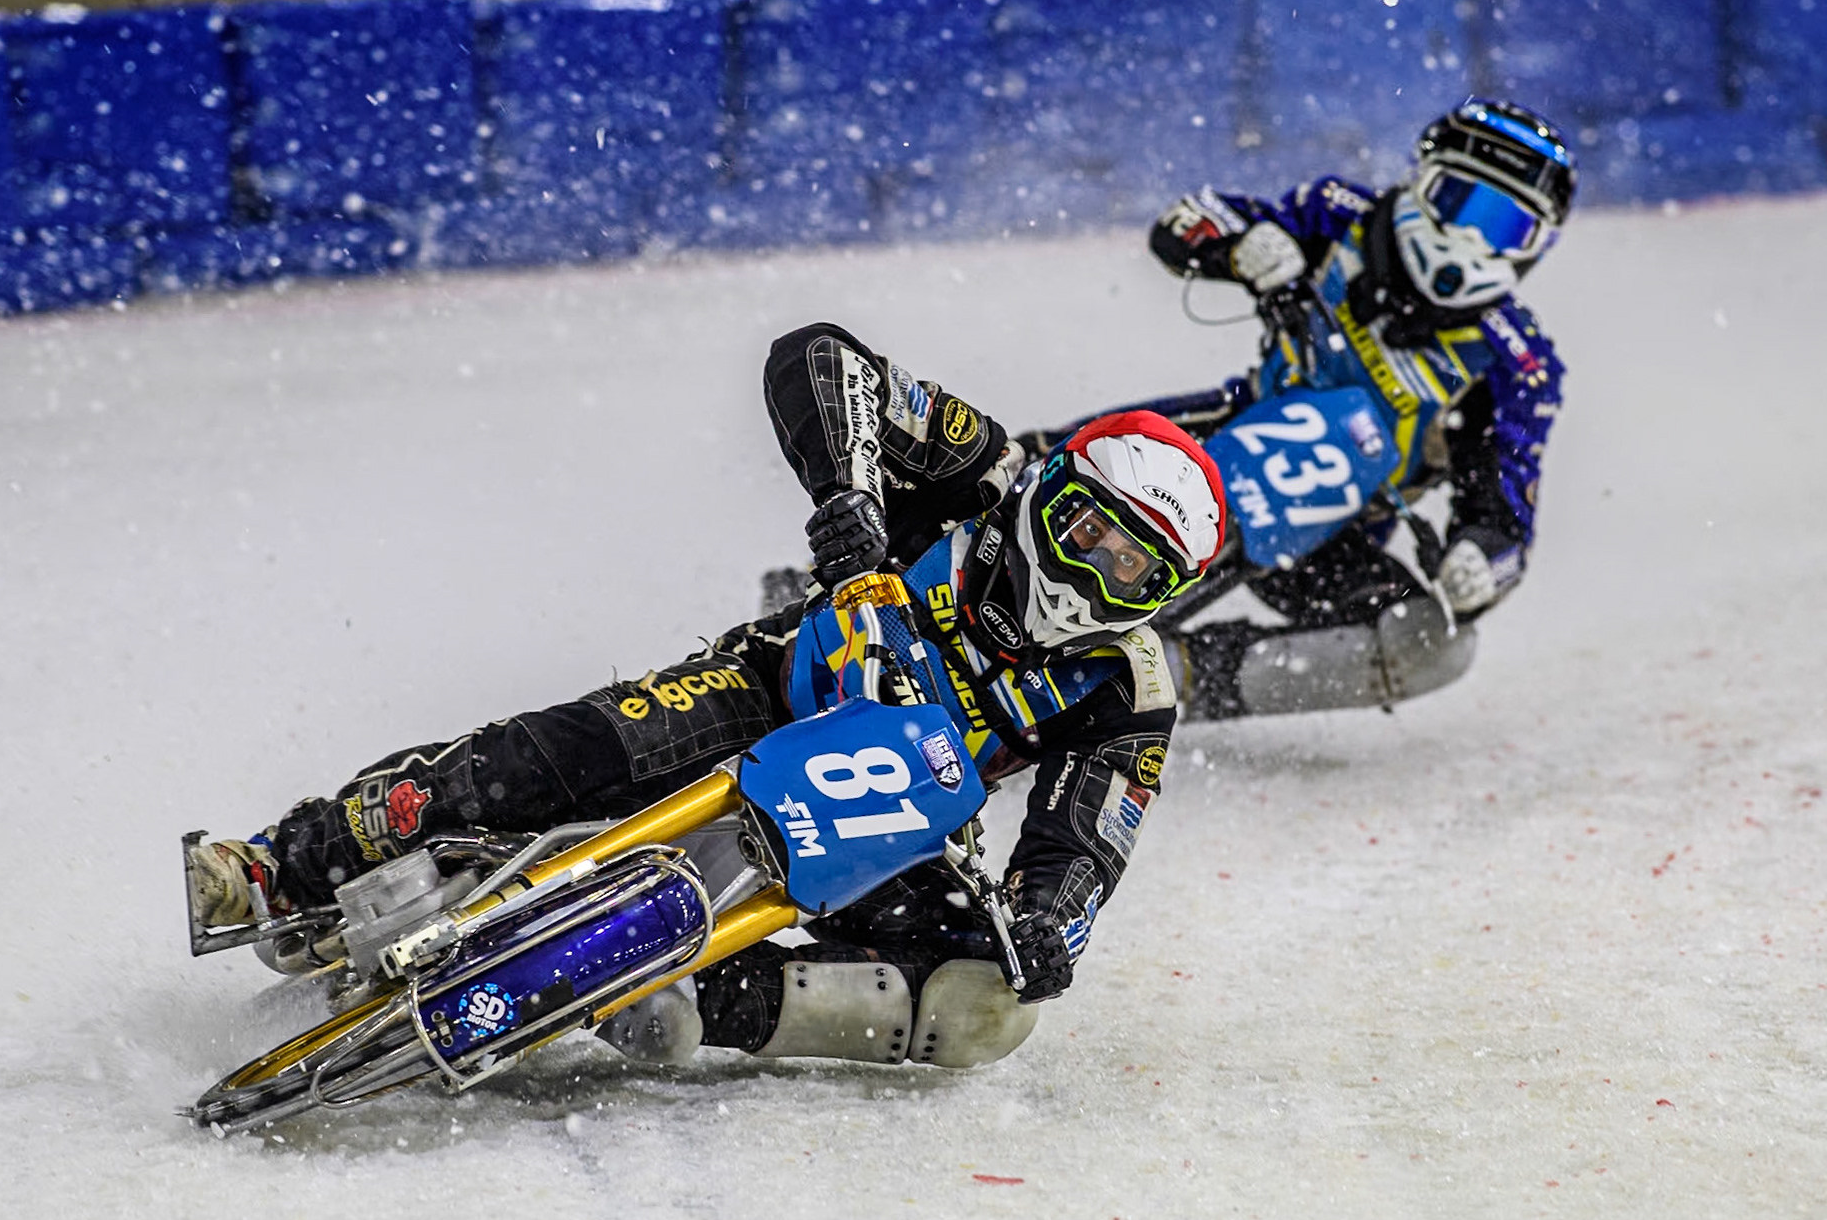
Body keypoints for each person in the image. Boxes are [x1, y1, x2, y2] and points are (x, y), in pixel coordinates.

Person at [188, 321, 1227, 1070]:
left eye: (1131, 572)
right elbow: (819, 356)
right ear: (1055, 489)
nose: (1091, 575)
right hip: (764, 695)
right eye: (1087, 531)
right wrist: (852, 503)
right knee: (550, 758)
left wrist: (1049, 924)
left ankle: (696, 995)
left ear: (1162, 598)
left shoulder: (1130, 685)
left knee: (989, 1005)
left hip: (897, 827)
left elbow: (1087, 843)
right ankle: (282, 864)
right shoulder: (985, 469)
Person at [1019, 98, 1574, 721]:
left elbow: (1503, 522)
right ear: (1422, 182)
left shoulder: (1516, 363)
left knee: (1433, 644)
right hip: (1226, 431)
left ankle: (1159, 681)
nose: (1470, 239)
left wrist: (1477, 567)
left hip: (1329, 546)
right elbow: (1185, 223)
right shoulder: (1341, 214)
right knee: (1026, 469)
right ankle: (968, 573)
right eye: (1459, 202)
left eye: (1506, 227)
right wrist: (1244, 247)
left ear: (1537, 247)